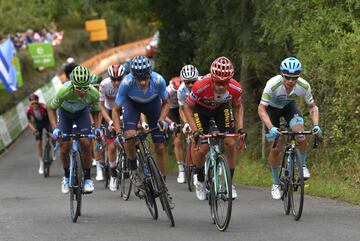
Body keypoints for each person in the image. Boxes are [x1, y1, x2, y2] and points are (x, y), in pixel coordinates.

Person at [258, 57, 321, 200]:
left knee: (301, 135)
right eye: (287, 77)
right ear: (282, 75)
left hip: (289, 108)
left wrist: (316, 125)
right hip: (271, 111)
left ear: (299, 76)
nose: (291, 81)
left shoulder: (304, 86)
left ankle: (303, 166)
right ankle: (275, 182)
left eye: (294, 78)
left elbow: (313, 107)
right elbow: (261, 109)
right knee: (275, 147)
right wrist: (270, 127)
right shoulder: (272, 85)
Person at [184, 56, 245, 201]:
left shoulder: (236, 88)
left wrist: (241, 128)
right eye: (218, 83)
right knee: (202, 147)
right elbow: (187, 108)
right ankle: (199, 179)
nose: (221, 87)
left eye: (225, 83)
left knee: (230, 143)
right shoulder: (200, 86)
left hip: (221, 109)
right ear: (212, 78)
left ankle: (229, 183)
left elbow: (238, 107)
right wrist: (195, 131)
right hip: (201, 111)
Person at [112, 55, 170, 185]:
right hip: (132, 105)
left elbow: (166, 102)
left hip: (153, 105)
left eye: (145, 78)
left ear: (150, 74)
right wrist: (118, 132)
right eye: (139, 79)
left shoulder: (158, 80)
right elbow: (116, 110)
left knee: (160, 147)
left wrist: (161, 119)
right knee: (130, 136)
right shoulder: (126, 83)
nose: (142, 82)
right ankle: (133, 167)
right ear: (133, 76)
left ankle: (162, 181)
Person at [47, 66, 101, 194]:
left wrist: (97, 129)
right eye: (78, 88)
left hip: (82, 113)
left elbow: (96, 111)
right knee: (65, 146)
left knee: (86, 142)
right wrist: (55, 128)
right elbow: (51, 108)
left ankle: (88, 179)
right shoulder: (64, 91)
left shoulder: (93, 93)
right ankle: (66, 177)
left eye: (85, 88)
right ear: (73, 85)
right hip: (65, 114)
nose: (82, 91)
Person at [98, 64, 126, 191]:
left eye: (119, 79)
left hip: (123, 110)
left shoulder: (127, 83)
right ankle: (113, 175)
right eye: (113, 79)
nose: (116, 82)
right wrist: (109, 122)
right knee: (112, 146)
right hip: (109, 111)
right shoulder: (104, 85)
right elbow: (101, 107)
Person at [165, 76, 185, 183]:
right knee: (177, 139)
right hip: (172, 110)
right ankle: (181, 169)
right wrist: (171, 123)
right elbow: (162, 112)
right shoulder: (167, 91)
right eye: (175, 92)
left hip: (184, 107)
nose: (177, 94)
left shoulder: (184, 88)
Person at [26, 94, 52, 174]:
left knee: (52, 135)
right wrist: (34, 130)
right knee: (38, 142)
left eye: (35, 103)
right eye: (32, 104)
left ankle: (53, 147)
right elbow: (29, 122)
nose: (34, 105)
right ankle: (41, 162)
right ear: (30, 104)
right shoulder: (29, 111)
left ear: (38, 102)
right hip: (38, 124)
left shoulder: (44, 107)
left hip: (47, 121)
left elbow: (51, 117)